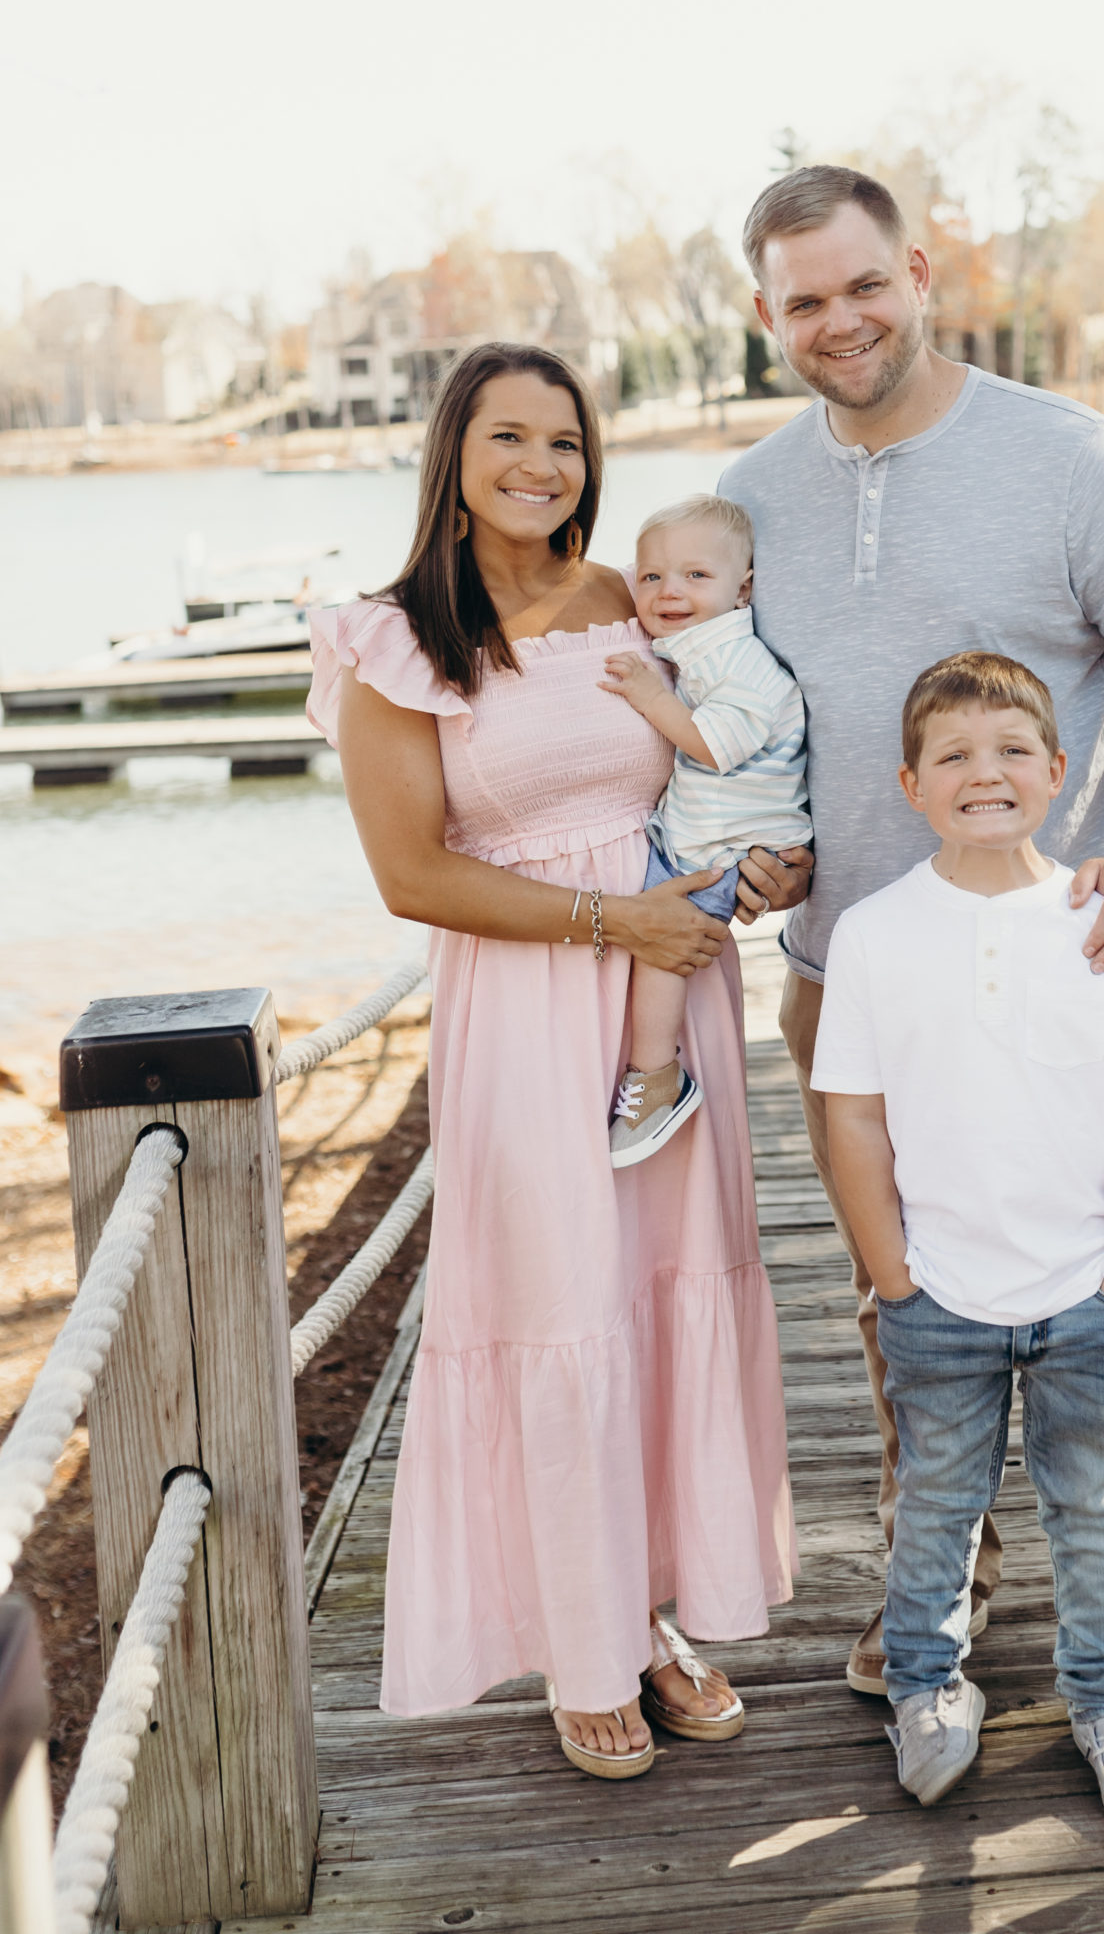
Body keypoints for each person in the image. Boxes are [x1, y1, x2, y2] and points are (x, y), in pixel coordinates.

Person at [720, 163, 1104, 1709]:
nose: (839, 320)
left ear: (919, 274)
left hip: (1056, 956)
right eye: (803, 301)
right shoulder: (749, 498)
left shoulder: (1064, 458)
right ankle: (939, 1573)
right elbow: (746, 715)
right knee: (902, 1282)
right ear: (766, 316)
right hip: (848, 971)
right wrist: (755, 847)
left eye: (862, 284)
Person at [307, 341, 795, 1781]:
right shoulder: (395, 640)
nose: (541, 465)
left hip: (670, 988)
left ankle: (648, 1612)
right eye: (509, 436)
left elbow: (723, 757)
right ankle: (581, 1646)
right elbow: (409, 873)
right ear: (453, 455)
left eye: (567, 442)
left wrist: (760, 863)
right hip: (527, 1006)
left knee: (659, 1295)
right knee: (560, 1303)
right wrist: (608, 920)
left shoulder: (635, 603)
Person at [816, 651, 1104, 1826]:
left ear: (1060, 770)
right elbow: (852, 1117)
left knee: (1095, 1507)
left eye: (1014, 749)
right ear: (912, 783)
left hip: (1085, 1291)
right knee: (935, 1505)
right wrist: (894, 1278)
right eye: (956, 754)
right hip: (938, 1293)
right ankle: (927, 1690)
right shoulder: (874, 934)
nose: (987, 772)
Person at [597, 493, 811, 1166]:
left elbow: (714, 746)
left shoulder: (738, 662)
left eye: (695, 575)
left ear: (742, 588)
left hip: (731, 846)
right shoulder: (699, 648)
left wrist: (649, 697)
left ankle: (656, 1077)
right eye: (652, 576)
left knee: (663, 947)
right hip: (709, 833)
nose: (669, 591)